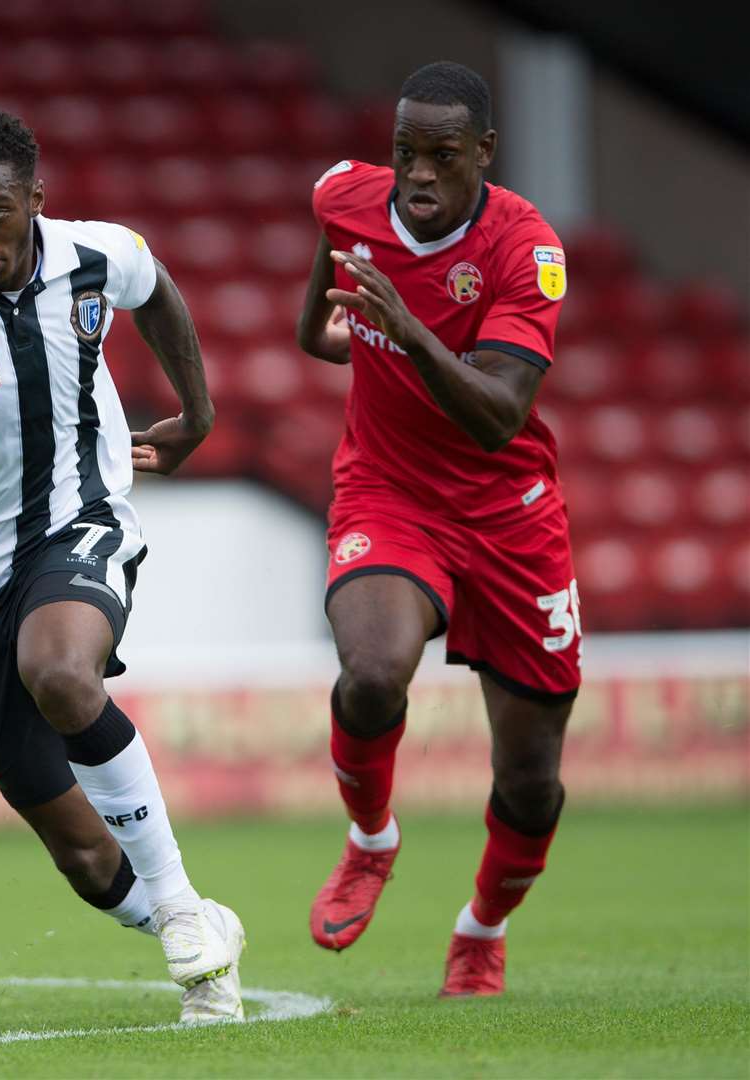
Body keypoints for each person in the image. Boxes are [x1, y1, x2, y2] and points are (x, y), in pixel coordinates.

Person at [0, 109, 244, 1024]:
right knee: (86, 860)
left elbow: (159, 290)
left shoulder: (95, 256)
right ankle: (207, 944)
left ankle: (183, 909)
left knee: (61, 673)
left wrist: (198, 411)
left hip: (82, 519)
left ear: (36, 199)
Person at [296, 61, 579, 996]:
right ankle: (370, 840)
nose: (417, 174)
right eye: (405, 152)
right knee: (372, 674)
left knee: (531, 782)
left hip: (508, 516)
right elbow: (316, 331)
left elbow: (499, 412)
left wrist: (407, 328)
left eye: (442, 157)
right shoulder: (344, 199)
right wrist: (357, 327)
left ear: (484, 154)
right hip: (389, 491)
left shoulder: (525, 249)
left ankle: (481, 927)